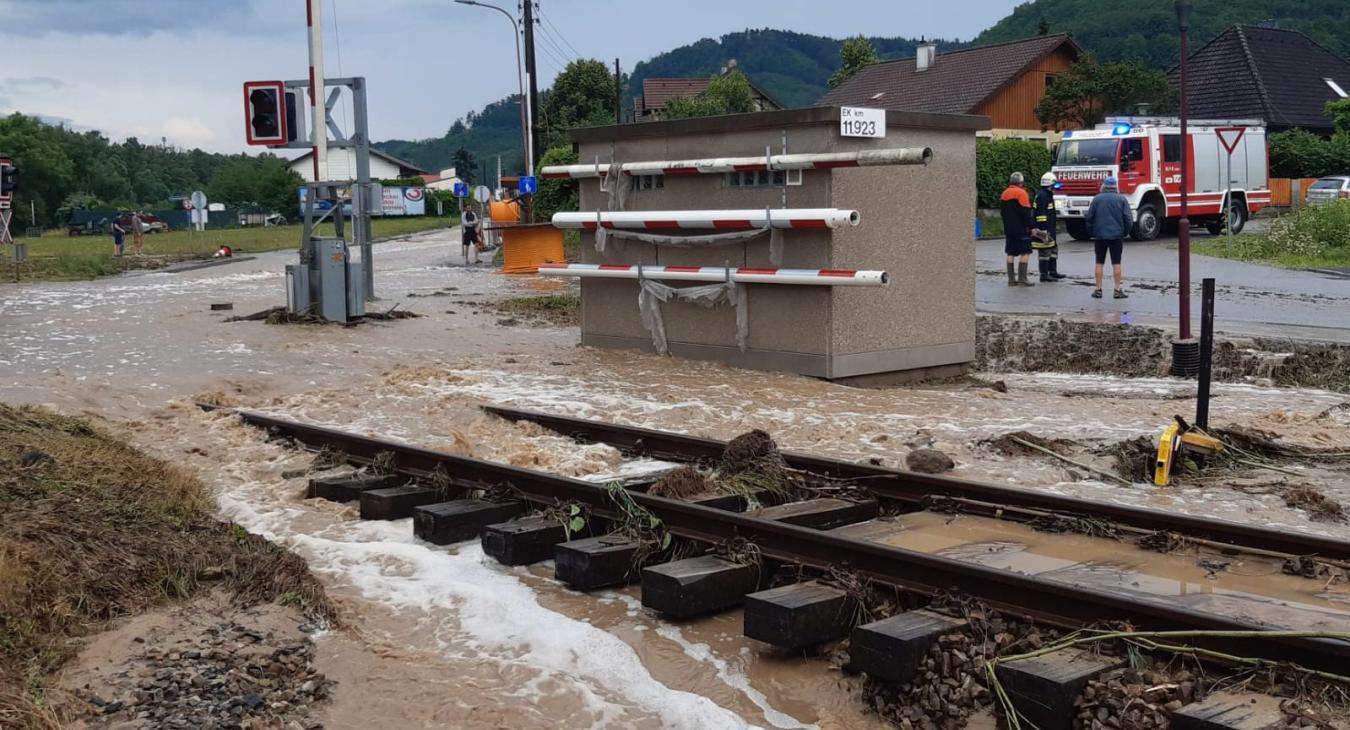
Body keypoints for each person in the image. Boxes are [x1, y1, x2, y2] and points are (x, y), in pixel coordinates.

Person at [1084, 176, 1134, 299]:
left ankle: (1098, 289)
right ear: (1115, 186)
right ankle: (1117, 290)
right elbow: (1128, 219)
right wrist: (1125, 232)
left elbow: (1089, 218)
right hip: (1117, 236)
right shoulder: (1121, 199)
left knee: (1099, 262)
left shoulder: (1097, 199)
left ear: (1104, 186)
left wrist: (1092, 232)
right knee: (1116, 263)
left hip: (1100, 236)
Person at [999, 171, 1034, 286]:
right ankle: (1022, 279)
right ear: (1021, 182)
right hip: (1021, 229)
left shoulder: (1004, 193)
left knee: (1010, 253)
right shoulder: (1022, 193)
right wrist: (1031, 227)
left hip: (1009, 229)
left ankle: (1011, 280)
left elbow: (1002, 213)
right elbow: (1026, 213)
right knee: (1026, 252)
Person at [1032, 172, 1066, 282]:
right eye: (1054, 185)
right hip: (1044, 229)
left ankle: (1053, 272)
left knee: (1053, 249)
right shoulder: (1043, 196)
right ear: (1049, 184)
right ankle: (1044, 275)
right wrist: (1043, 231)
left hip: (1050, 228)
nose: (1056, 188)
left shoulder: (1047, 194)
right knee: (1044, 252)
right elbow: (1041, 214)